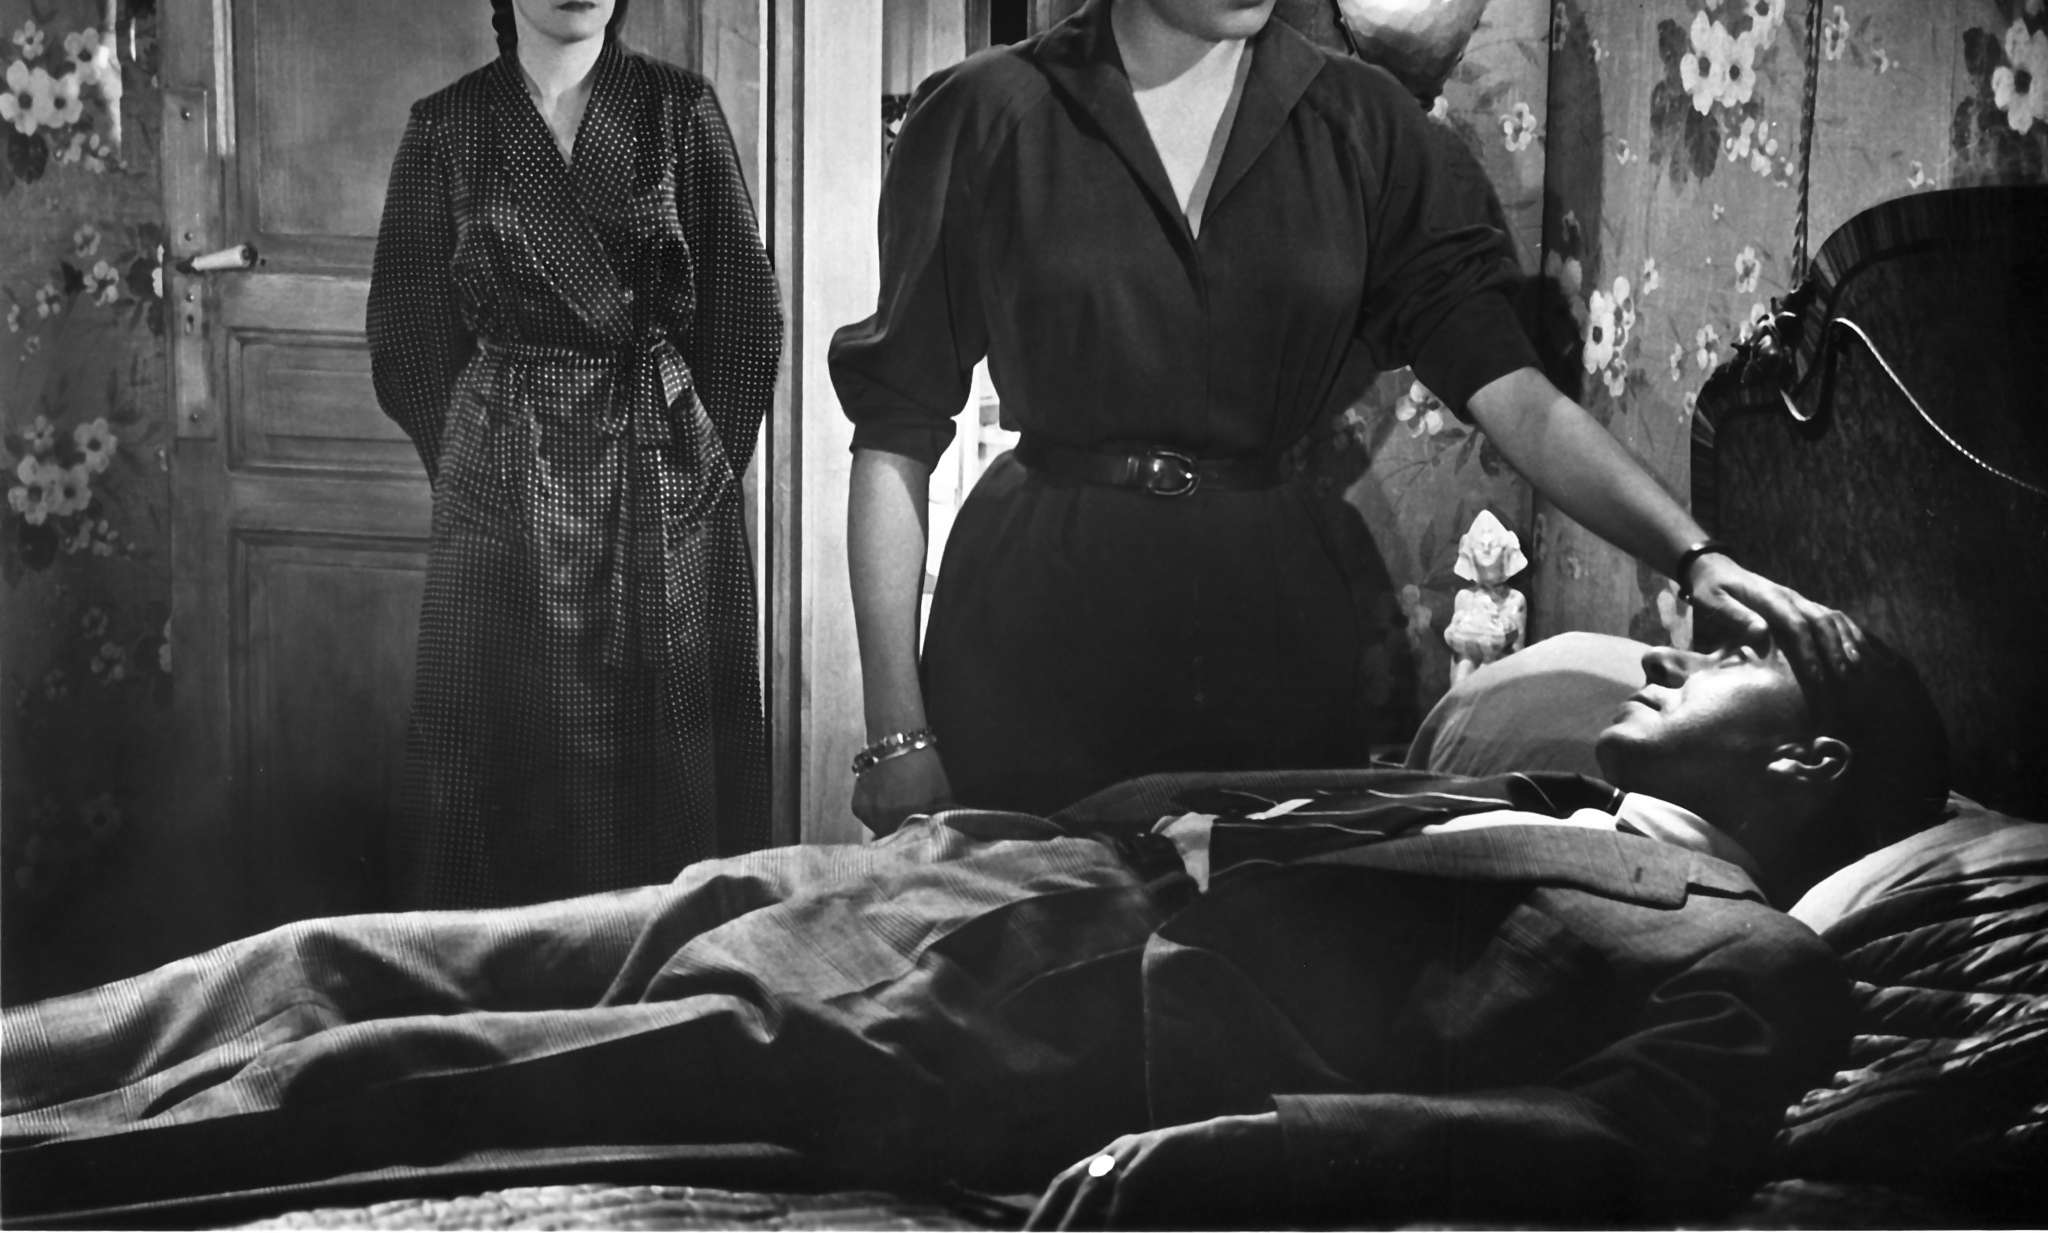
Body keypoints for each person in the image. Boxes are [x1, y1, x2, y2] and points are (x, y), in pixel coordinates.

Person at [828, 0, 1859, 834]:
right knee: (1020, 932)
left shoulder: (1367, 129)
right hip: (1037, 626)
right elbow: (893, 436)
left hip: (1271, 626)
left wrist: (1694, 556)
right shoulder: (982, 118)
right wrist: (898, 733)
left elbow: (1514, 395)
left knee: (1265, 932)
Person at [0, 623, 1949, 1228]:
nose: (1662, 652)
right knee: (340, 950)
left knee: (409, 1071)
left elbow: (1615, 1147)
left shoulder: (1754, 951)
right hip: (967, 876)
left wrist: (1245, 1154)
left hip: (1026, 1025)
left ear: (1810, 757)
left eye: (1721, 657)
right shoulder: (1509, 791)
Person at [366, 0, 782, 907]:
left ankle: (665, 970)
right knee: (492, 735)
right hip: (501, 475)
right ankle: (501, 981)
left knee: (665, 743)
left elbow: (746, 314)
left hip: (658, 465)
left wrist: (694, 461)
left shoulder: (677, 109)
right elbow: (406, 330)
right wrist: (474, 445)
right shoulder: (449, 124)